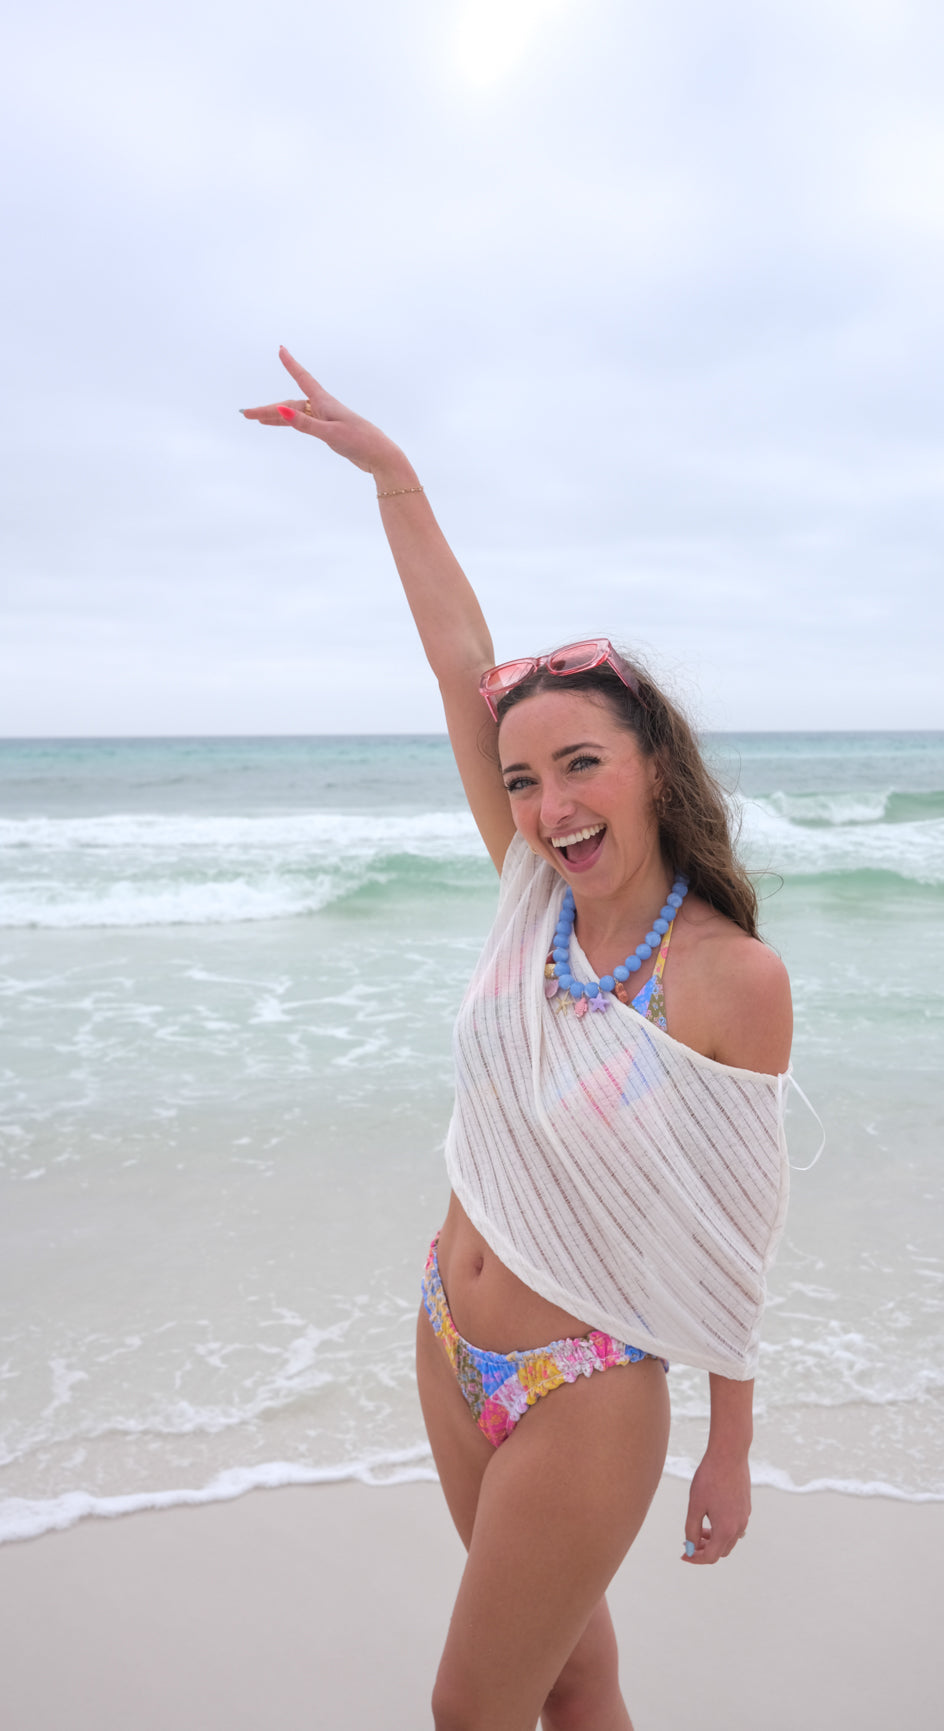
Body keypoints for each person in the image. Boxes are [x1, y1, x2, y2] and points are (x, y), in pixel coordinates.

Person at [243, 349, 795, 1731]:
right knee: (571, 1677)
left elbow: (737, 1231)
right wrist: (393, 478)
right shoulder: (526, 896)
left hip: (586, 1388)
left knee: (469, 1710)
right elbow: (454, 660)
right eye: (521, 779)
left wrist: (728, 1451)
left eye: (580, 765)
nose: (548, 804)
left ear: (651, 768)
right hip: (446, 1332)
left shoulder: (731, 980)